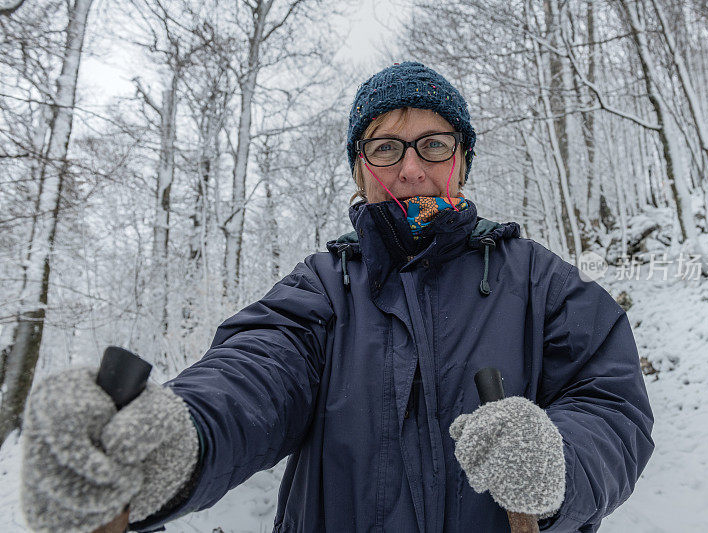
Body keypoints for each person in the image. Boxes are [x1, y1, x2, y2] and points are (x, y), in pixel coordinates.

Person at [21, 62, 654, 533]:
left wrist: (560, 460)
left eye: (433, 145)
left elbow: (613, 406)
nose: (411, 170)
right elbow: (255, 376)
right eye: (385, 147)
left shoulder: (539, 281)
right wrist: (179, 441)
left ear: (462, 161)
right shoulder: (322, 288)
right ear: (359, 167)